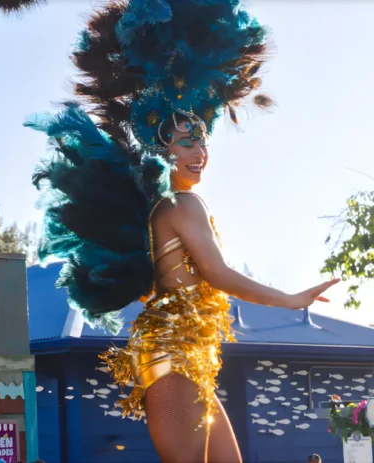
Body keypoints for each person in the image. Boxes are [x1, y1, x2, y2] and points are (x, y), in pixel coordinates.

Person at [28, 1, 338, 462]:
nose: (200, 151)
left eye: (204, 139)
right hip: (173, 350)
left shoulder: (171, 204)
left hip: (193, 354)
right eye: (186, 141)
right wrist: (290, 301)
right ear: (163, 147)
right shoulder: (178, 204)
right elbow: (218, 274)